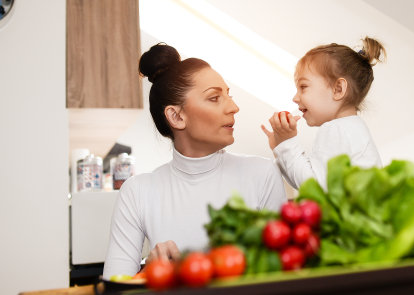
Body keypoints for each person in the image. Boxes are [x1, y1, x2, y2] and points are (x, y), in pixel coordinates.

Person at [103, 43, 287, 279]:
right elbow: (114, 287)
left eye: (229, 95)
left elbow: (285, 275)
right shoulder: (137, 192)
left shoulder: (262, 174)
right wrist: (149, 273)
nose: (234, 107)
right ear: (177, 116)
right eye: (214, 98)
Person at [261, 37, 385, 190]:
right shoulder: (351, 128)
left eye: (303, 87)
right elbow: (308, 182)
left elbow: (313, 187)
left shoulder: (337, 129)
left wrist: (286, 143)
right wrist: (280, 148)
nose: (295, 97)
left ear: (338, 89)